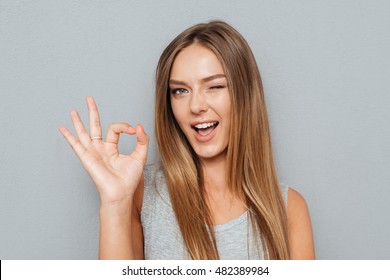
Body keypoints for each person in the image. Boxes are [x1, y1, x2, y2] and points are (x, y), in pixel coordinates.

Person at [59, 20, 315, 260]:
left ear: (245, 94)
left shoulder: (289, 208)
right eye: (180, 91)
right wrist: (114, 203)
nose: (195, 106)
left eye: (214, 86)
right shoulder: (142, 193)